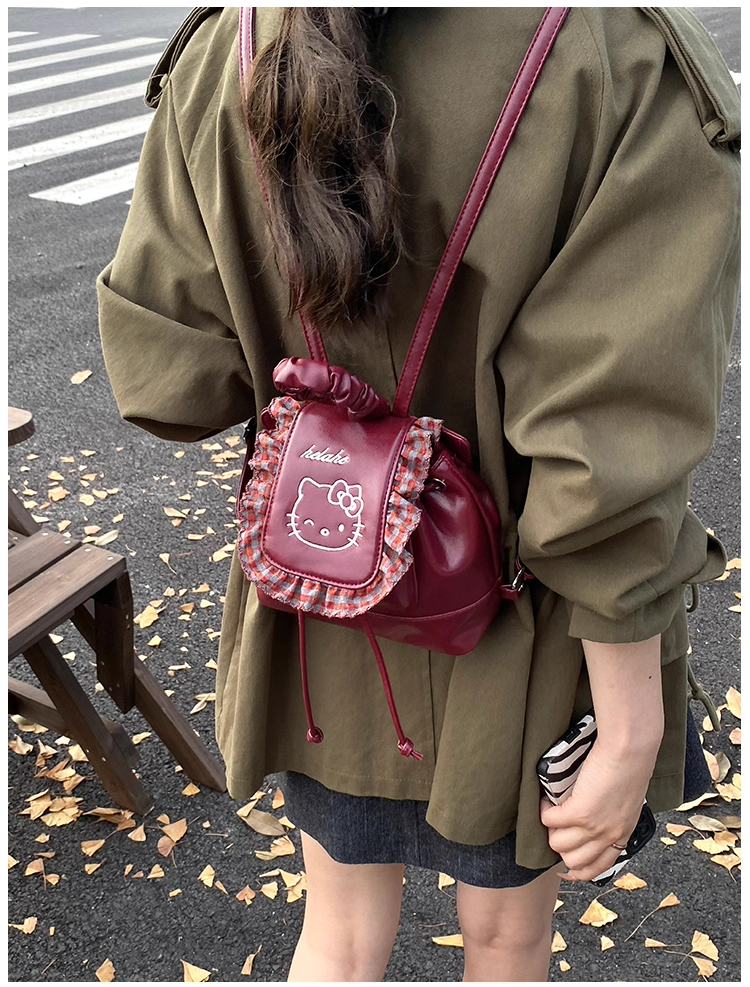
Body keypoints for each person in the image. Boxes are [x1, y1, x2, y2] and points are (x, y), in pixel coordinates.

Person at [98, 7, 740, 983]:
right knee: (507, 940)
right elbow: (607, 450)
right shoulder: (609, 47)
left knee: (339, 939)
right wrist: (631, 721)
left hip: (320, 605)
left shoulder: (231, 43)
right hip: (521, 625)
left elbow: (171, 384)